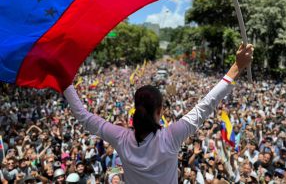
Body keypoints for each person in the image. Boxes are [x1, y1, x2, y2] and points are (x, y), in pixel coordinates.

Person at [63, 44, 254, 183]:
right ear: (160, 111)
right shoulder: (171, 136)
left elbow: (85, 117)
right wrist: (237, 67)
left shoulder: (120, 137)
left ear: (136, 108)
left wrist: (65, 83)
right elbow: (206, 105)